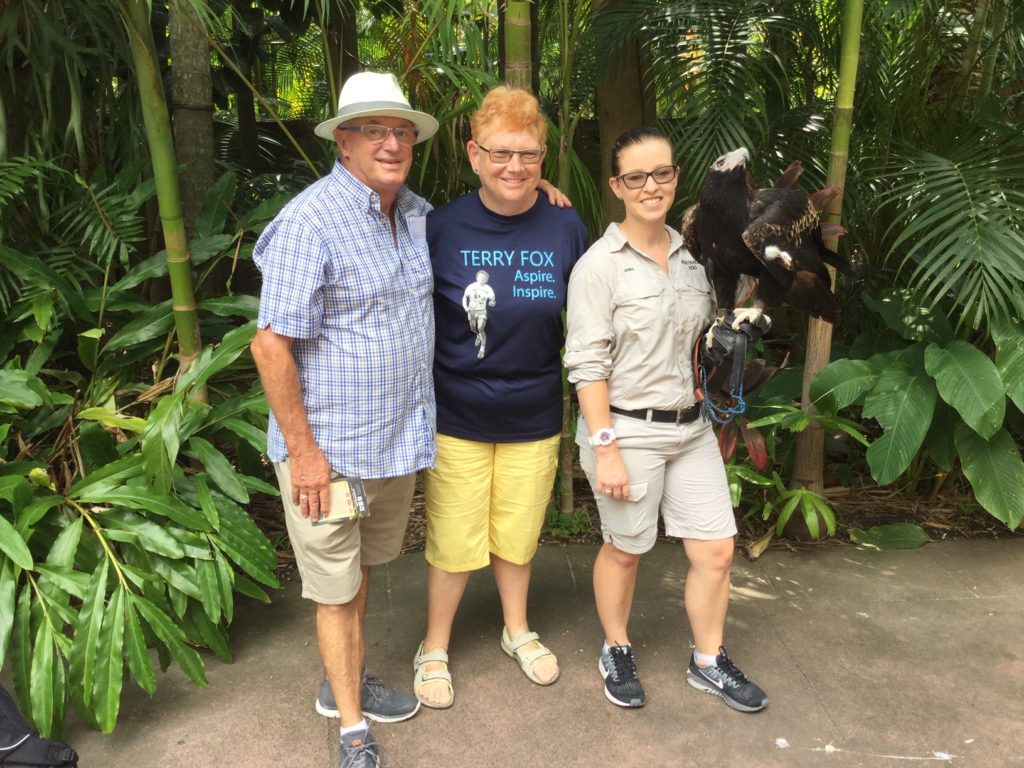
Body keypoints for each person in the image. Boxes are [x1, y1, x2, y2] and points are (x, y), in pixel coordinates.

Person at [250, 71, 439, 768]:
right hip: (327, 455)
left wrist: (540, 194)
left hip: (392, 442)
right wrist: (303, 453)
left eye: (402, 131)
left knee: (357, 575)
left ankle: (346, 683)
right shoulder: (310, 221)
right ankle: (354, 732)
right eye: (374, 131)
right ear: (344, 142)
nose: (392, 143)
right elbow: (270, 345)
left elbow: (493, 217)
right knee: (334, 591)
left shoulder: (415, 214)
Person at [564, 127, 769, 713]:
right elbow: (586, 365)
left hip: (692, 426)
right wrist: (605, 447)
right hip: (626, 428)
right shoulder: (598, 267)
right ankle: (616, 647)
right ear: (617, 186)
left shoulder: (698, 256)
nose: (650, 186)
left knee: (717, 551)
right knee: (626, 548)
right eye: (636, 177)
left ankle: (708, 660)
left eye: (661, 173)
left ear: (677, 178)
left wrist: (741, 326)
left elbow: (713, 325)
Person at [413, 86, 589, 709]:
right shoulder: (439, 226)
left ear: (543, 157)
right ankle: (435, 645)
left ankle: (517, 629)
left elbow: (590, 316)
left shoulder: (565, 225)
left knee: (518, 532)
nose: (514, 166)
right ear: (473, 154)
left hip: (533, 411)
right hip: (456, 412)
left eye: (528, 155)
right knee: (453, 536)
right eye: (500, 153)